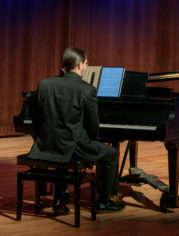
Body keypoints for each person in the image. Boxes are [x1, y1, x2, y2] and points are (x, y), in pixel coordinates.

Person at [28, 47, 125, 213]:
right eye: (86, 63)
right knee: (111, 154)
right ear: (80, 65)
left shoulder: (44, 84)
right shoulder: (87, 90)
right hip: (73, 147)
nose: (86, 67)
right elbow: (93, 126)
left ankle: (59, 199)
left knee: (62, 146)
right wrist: (93, 143)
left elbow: (37, 119)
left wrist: (43, 138)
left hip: (47, 145)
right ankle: (104, 201)